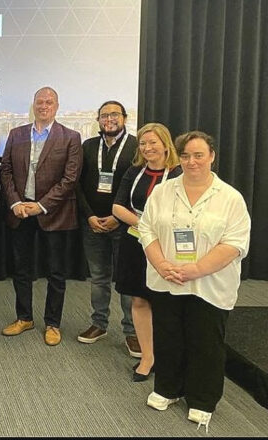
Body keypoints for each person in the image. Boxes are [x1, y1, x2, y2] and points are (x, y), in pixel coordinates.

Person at [140, 131, 250, 430]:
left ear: (212, 156)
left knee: (206, 341)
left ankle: (203, 400)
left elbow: (235, 243)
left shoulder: (230, 198)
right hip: (167, 279)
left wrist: (197, 269)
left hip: (209, 284)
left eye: (198, 155)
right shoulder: (163, 191)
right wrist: (162, 264)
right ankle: (168, 389)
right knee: (168, 335)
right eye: (186, 156)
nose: (191, 162)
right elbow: (146, 229)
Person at [0, 87, 83, 346]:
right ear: (33, 104)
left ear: (57, 106)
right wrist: (15, 203)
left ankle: (52, 323)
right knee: (21, 269)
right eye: (39, 102)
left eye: (49, 102)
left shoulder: (70, 137)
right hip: (20, 213)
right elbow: (7, 172)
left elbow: (70, 179)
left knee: (56, 272)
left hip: (54, 214)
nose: (43, 106)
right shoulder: (16, 134)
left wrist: (41, 206)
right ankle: (24, 318)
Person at [113, 122, 181, 381]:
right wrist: (144, 226)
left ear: (165, 144)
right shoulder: (134, 172)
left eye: (153, 142)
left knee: (165, 301)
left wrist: (157, 230)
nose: (147, 147)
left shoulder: (178, 174)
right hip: (136, 240)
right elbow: (118, 207)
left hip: (168, 245)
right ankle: (148, 357)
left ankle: (169, 356)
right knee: (139, 300)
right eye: (143, 143)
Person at [75, 100, 139, 355]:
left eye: (114, 114)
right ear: (98, 120)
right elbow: (77, 185)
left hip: (124, 225)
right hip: (92, 223)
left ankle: (132, 331)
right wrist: (89, 215)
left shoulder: (136, 147)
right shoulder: (89, 146)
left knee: (125, 280)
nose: (109, 119)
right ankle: (98, 323)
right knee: (99, 277)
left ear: (124, 117)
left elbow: (140, 188)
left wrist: (120, 217)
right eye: (104, 115)